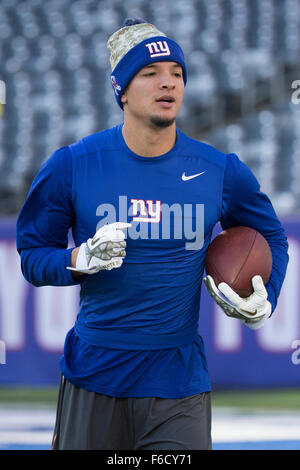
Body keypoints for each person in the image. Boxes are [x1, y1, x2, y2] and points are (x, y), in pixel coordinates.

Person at [16, 18, 289, 450]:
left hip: (178, 382)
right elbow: (31, 255)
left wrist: (265, 296)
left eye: (177, 74)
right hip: (94, 374)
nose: (169, 83)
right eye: (151, 73)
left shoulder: (220, 170)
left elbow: (270, 235)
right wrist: (77, 260)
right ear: (121, 90)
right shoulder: (73, 164)